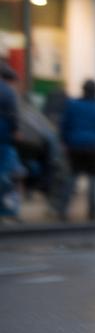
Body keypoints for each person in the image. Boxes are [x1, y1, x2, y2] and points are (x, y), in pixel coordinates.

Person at [60, 79, 95, 221]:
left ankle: (63, 209)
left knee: (71, 178)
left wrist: (64, 142)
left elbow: (64, 125)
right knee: (93, 180)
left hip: (74, 146)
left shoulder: (72, 105)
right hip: (93, 147)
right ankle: (92, 212)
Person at [0, 64, 20, 219]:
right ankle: (7, 210)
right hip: (4, 136)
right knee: (7, 172)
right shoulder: (8, 92)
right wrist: (16, 131)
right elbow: (13, 115)